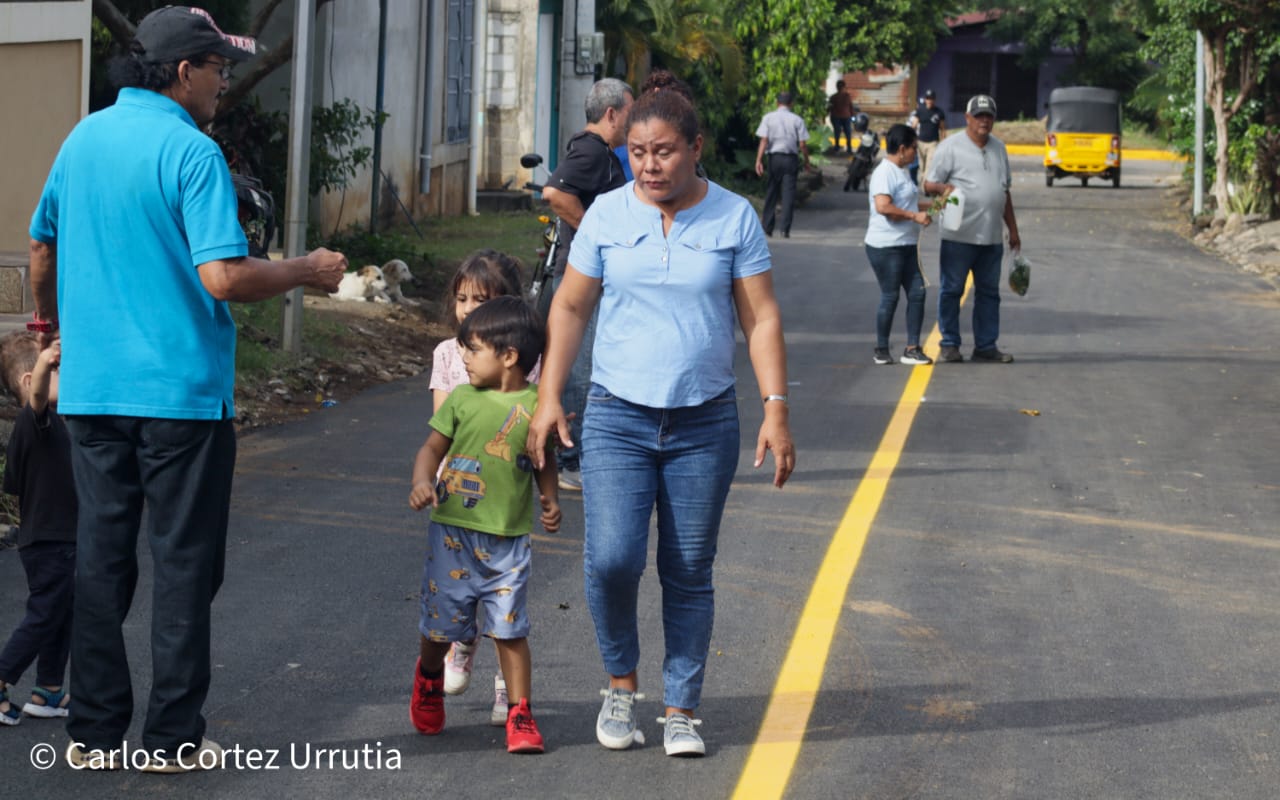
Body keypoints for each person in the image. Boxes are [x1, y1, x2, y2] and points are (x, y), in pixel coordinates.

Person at [27, 5, 347, 772]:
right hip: (179, 399)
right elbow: (223, 277)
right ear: (182, 72)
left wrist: (50, 331)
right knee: (184, 565)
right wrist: (308, 269)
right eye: (217, 66)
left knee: (102, 561)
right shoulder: (191, 151)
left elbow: (42, 248)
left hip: (95, 397)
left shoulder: (82, 139)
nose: (223, 80)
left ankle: (94, 736)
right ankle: (169, 743)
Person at [528, 90, 796, 758]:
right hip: (618, 416)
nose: (649, 166)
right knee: (613, 559)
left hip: (704, 422)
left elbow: (760, 318)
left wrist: (775, 408)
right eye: (638, 153)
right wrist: (549, 396)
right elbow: (569, 308)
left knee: (687, 567)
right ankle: (621, 683)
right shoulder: (608, 217)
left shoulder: (733, 217)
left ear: (695, 148)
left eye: (663, 152)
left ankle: (682, 708)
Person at [408, 296, 561, 754]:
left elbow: (543, 459)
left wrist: (549, 498)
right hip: (452, 534)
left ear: (509, 356)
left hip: (509, 543)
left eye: (472, 350)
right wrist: (421, 480)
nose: (464, 359)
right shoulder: (461, 400)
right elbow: (431, 449)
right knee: (440, 628)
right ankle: (430, 679)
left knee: (510, 630)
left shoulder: (537, 405)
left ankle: (520, 713)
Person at [431, 250, 538, 726]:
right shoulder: (446, 356)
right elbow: (442, 428)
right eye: (461, 299)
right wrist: (430, 477)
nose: (469, 310)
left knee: (506, 607)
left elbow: (536, 427)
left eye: (482, 300)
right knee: (455, 596)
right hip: (457, 502)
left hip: (506, 505)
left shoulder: (528, 363)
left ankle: (506, 691)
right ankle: (461, 640)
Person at [541, 78, 634, 493]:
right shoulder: (593, 149)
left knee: (591, 363)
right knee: (580, 368)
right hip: (580, 275)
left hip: (590, 273)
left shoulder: (602, 151)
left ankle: (577, 453)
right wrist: (594, 234)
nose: (633, 124)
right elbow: (555, 193)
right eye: (630, 114)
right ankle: (569, 459)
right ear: (612, 114)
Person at [0, 334, 76, 728]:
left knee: (61, 614)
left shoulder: (47, 426)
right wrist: (49, 360)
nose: (64, 373)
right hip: (51, 541)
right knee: (45, 614)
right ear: (32, 380)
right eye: (57, 370)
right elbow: (40, 392)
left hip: (54, 539)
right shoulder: (36, 420)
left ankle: (47, 690)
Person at [923, 94, 1022, 363]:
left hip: (991, 237)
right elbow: (928, 185)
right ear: (967, 118)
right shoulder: (950, 147)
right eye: (978, 116)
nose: (984, 121)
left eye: (988, 116)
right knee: (952, 289)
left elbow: (1005, 191)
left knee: (989, 293)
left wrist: (1013, 229)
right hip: (959, 234)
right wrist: (945, 188)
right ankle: (950, 343)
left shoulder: (999, 148)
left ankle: (986, 346)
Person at [864, 125, 936, 366]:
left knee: (918, 292)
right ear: (902, 149)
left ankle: (912, 348)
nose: (916, 152)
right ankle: (881, 349)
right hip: (886, 246)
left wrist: (936, 206)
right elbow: (884, 207)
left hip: (907, 244)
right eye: (914, 148)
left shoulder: (903, 171)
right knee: (891, 295)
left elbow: (909, 203)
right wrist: (914, 217)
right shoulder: (884, 172)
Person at [755, 91, 811, 238]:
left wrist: (758, 160)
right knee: (788, 195)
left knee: (771, 192)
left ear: (777, 103)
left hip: (774, 158)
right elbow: (803, 144)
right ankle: (785, 229)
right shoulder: (797, 119)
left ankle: (767, 227)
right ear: (791, 103)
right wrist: (806, 161)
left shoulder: (768, 118)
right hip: (790, 159)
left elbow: (764, 141)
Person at [913, 89, 947, 186]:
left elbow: (942, 128)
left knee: (929, 165)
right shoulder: (920, 111)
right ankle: (923, 180)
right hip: (921, 142)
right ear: (925, 99)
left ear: (934, 100)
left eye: (931, 98)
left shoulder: (939, 112)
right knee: (922, 165)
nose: (929, 101)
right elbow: (914, 125)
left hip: (933, 142)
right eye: (928, 98)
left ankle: (925, 185)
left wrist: (943, 142)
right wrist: (912, 137)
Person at [828, 79, 856, 154]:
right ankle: (848, 148)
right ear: (843, 87)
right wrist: (853, 118)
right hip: (844, 117)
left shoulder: (833, 97)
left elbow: (829, 108)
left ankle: (838, 148)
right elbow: (851, 108)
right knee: (847, 133)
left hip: (838, 117)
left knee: (838, 133)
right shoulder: (846, 96)